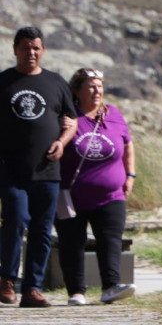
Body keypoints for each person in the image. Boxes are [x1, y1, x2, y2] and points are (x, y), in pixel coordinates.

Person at [0, 26, 77, 308]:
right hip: (11, 170)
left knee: (43, 229)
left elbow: (72, 120)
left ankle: (32, 288)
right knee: (16, 221)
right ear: (15, 49)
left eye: (36, 47)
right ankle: (7, 280)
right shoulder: (4, 81)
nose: (30, 52)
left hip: (47, 171)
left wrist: (62, 141)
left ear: (42, 50)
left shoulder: (56, 83)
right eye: (25, 47)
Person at [54, 68, 137, 306]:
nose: (97, 90)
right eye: (91, 86)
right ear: (77, 90)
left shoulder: (114, 114)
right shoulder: (68, 117)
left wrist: (130, 175)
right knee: (71, 242)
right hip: (71, 195)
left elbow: (128, 145)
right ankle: (76, 292)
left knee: (110, 239)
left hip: (111, 195)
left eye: (100, 86)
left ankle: (111, 286)